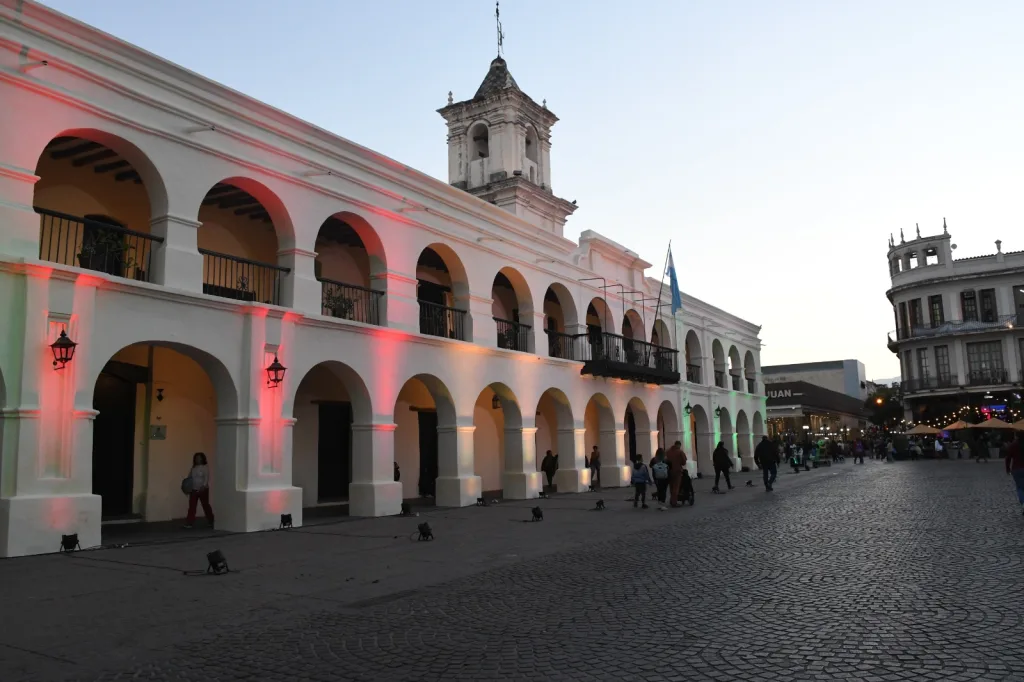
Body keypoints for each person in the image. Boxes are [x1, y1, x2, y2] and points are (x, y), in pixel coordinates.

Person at [184, 452, 214, 528]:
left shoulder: (205, 467)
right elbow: (189, 477)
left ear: (202, 458)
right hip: (193, 489)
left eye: (199, 458)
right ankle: (189, 522)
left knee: (205, 505)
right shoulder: (194, 468)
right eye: (196, 458)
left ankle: (211, 520)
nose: (198, 459)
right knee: (192, 506)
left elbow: (206, 477)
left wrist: (203, 486)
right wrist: (187, 486)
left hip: (203, 489)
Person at [1005, 432, 1024, 515]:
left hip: (1017, 468)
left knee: (1020, 488)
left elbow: (1008, 458)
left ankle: (1023, 504)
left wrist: (1008, 469)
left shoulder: (1013, 445)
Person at [666, 440, 687, 507]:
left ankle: (671, 500)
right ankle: (674, 502)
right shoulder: (680, 452)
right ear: (679, 445)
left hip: (669, 471)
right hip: (677, 471)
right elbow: (684, 462)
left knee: (671, 486)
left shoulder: (667, 451)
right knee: (676, 487)